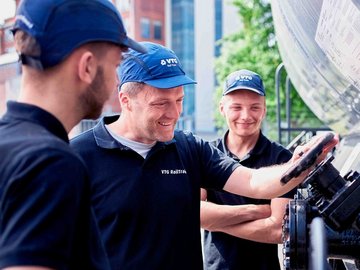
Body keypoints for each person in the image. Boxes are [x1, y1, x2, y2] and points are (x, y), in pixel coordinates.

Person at [70, 42, 338, 270]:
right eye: (161, 103)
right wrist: (254, 210)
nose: (174, 114)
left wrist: (299, 164)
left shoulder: (188, 148)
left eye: (179, 100)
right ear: (125, 101)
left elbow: (255, 182)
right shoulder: (78, 157)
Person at [0, 0, 146, 269]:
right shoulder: (49, 163)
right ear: (87, 67)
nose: (116, 82)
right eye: (116, 66)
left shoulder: (9, 144)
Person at [201, 69, 295, 270]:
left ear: (264, 110)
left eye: (254, 107)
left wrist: (215, 221)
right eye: (236, 107)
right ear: (222, 108)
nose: (245, 116)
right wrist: (256, 211)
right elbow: (196, 213)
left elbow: (278, 229)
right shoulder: (206, 154)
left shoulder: (282, 159)